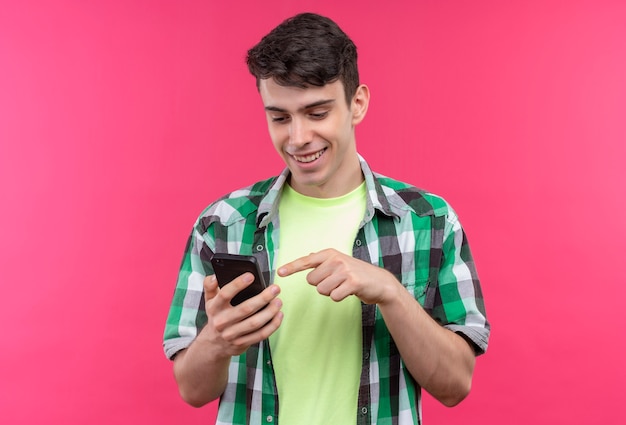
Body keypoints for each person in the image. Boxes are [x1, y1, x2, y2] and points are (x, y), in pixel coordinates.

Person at [163, 12, 489, 425]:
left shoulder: (428, 220)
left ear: (358, 104)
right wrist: (218, 340)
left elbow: (455, 385)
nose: (297, 138)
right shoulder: (222, 224)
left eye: (317, 113)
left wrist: (389, 291)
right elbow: (191, 391)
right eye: (280, 117)